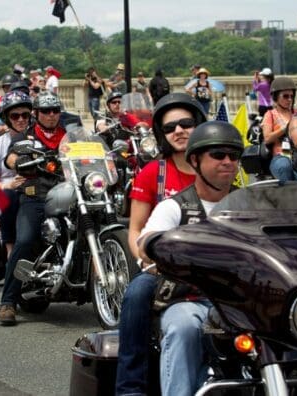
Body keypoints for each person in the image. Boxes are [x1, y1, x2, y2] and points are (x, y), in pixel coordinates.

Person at [137, 120, 243, 396]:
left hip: (244, 302)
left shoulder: (250, 205)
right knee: (183, 328)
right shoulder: (174, 207)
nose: (228, 162)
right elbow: (146, 239)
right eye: (218, 155)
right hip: (191, 299)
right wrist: (160, 244)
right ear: (195, 160)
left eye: (234, 156)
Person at [116, 93, 205, 395]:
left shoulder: (222, 167)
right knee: (137, 293)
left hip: (214, 265)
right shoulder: (153, 172)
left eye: (186, 123)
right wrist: (145, 261)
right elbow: (136, 230)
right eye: (169, 128)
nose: (178, 131)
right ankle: (130, 387)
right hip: (162, 267)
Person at [0, 91, 66, 326]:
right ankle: (8, 302)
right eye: (45, 111)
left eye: (55, 110)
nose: (51, 115)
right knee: (25, 240)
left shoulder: (68, 135)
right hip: (36, 197)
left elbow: (89, 148)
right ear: (37, 114)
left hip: (69, 196)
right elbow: (11, 158)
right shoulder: (26, 137)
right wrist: (18, 162)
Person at [0, 91, 31, 259]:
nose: (21, 119)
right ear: (6, 118)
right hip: (12, 195)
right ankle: (10, 252)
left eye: (25, 115)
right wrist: (7, 185)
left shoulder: (38, 140)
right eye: (15, 116)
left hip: (36, 192)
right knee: (8, 195)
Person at [261, 76, 297, 183]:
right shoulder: (270, 115)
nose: (289, 99)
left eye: (291, 96)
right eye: (285, 96)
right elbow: (267, 138)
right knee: (284, 167)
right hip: (281, 156)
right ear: (276, 97)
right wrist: (285, 128)